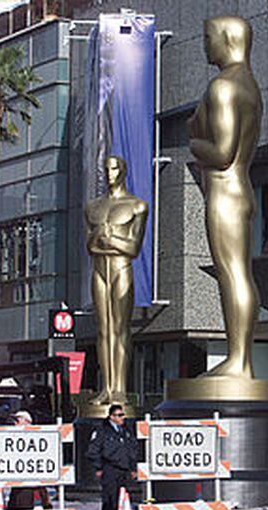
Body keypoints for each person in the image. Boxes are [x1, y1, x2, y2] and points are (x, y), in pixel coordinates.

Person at [188, 16, 262, 379]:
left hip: (224, 191)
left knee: (231, 274)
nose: (205, 45)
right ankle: (241, 358)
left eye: (207, 37)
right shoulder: (249, 85)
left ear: (226, 38)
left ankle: (238, 360)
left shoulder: (223, 87)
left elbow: (221, 152)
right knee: (239, 273)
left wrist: (191, 143)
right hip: (241, 188)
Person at [85, 156, 148, 406]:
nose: (110, 174)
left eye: (114, 169)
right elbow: (89, 246)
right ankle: (106, 387)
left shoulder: (137, 206)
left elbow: (133, 248)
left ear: (123, 171)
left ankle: (119, 388)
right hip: (99, 270)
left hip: (122, 269)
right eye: (107, 169)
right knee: (103, 329)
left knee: (120, 328)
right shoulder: (92, 207)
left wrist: (107, 240)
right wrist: (103, 240)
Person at [87, 404, 138, 510]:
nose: (122, 418)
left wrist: (132, 468)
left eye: (123, 415)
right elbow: (94, 450)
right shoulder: (102, 431)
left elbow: (132, 449)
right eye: (119, 415)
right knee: (110, 498)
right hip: (109, 467)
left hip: (124, 469)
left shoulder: (126, 431)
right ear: (111, 416)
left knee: (122, 497)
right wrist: (98, 467)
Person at [5, 411, 52, 510]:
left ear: (26, 421)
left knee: (39, 503)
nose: (15, 423)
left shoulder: (35, 436)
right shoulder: (13, 436)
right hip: (19, 476)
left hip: (33, 476)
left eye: (18, 420)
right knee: (15, 504)